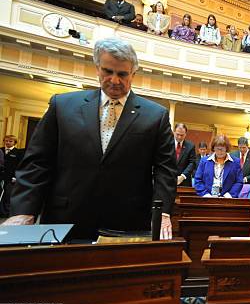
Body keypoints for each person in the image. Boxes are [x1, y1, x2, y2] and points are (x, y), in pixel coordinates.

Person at [3, 38, 176, 240]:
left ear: (133, 74)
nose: (114, 80)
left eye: (122, 74)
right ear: (97, 68)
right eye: (107, 71)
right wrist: (24, 210)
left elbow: (166, 170)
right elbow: (38, 162)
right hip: (65, 218)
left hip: (126, 223)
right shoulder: (63, 105)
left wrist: (162, 213)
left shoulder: (156, 115)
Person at [1, 135, 24, 217]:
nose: (8, 142)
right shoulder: (1, 150)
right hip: (1, 177)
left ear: (15, 142)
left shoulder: (18, 152)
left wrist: (16, 177)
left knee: (8, 195)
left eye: (10, 141)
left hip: (11, 178)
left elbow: (20, 166)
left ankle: (7, 214)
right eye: (6, 141)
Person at [174, 123, 196, 187]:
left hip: (184, 181)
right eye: (177, 134)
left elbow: (192, 163)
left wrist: (183, 176)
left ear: (185, 134)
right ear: (174, 132)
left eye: (182, 135)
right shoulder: (167, 144)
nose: (179, 137)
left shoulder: (190, 146)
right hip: (168, 179)